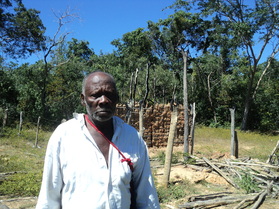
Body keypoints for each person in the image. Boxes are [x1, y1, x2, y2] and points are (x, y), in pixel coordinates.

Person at [36, 71, 160, 209]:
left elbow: (146, 195)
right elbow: (49, 196)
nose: (104, 100)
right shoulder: (64, 136)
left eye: (110, 95)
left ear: (117, 98)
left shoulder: (131, 137)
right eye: (95, 95)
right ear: (83, 99)